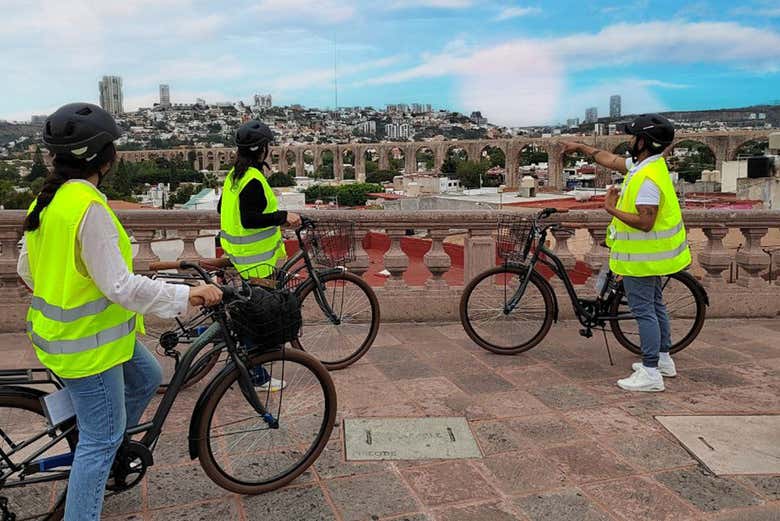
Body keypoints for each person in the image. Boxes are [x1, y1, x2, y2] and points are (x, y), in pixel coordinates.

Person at [17, 103, 222, 521]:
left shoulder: (52, 201)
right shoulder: (88, 210)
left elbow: (26, 269)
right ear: (104, 159)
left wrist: (69, 290)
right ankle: (97, 460)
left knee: (147, 375)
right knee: (100, 438)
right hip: (87, 350)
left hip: (79, 340)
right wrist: (188, 296)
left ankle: (103, 443)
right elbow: (121, 287)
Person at [562, 114, 691, 392]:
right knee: (656, 306)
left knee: (644, 311)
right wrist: (582, 148)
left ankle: (650, 372)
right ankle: (664, 359)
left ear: (644, 142)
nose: (630, 141)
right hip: (654, 256)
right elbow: (611, 160)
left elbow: (646, 222)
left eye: (633, 137)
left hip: (643, 258)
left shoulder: (647, 179)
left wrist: (610, 208)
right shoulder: (648, 166)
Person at [217, 120, 300, 391]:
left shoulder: (234, 176)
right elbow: (251, 219)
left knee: (245, 312)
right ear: (262, 149)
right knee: (256, 319)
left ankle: (224, 344)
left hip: (239, 255)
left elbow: (222, 208)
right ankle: (256, 376)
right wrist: (283, 217)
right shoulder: (252, 179)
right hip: (255, 260)